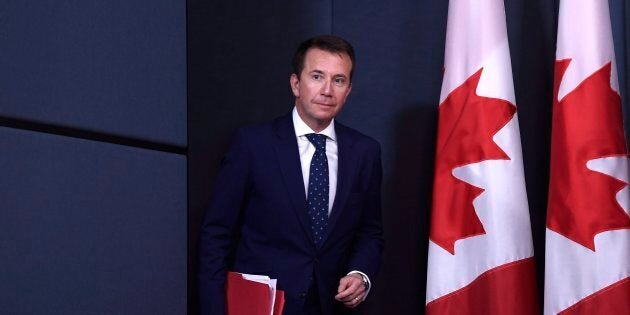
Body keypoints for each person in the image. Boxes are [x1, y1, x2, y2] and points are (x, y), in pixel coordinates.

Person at [198, 34, 383, 315]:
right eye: (317, 76)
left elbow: (370, 231)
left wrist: (361, 274)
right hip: (262, 307)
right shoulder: (253, 144)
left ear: (348, 91)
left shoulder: (365, 152)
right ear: (296, 83)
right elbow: (217, 234)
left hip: (331, 307)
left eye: (338, 80)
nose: (327, 90)